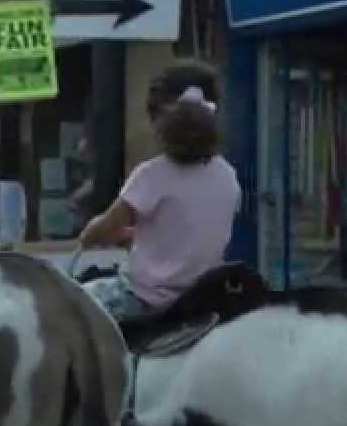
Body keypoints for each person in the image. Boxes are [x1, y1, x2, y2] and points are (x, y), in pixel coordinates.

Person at [78, 61, 241, 321]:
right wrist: (141, 237)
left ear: (160, 121)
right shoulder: (227, 176)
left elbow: (102, 232)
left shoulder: (152, 175)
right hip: (203, 298)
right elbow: (191, 231)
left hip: (145, 298)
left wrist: (92, 231)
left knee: (67, 307)